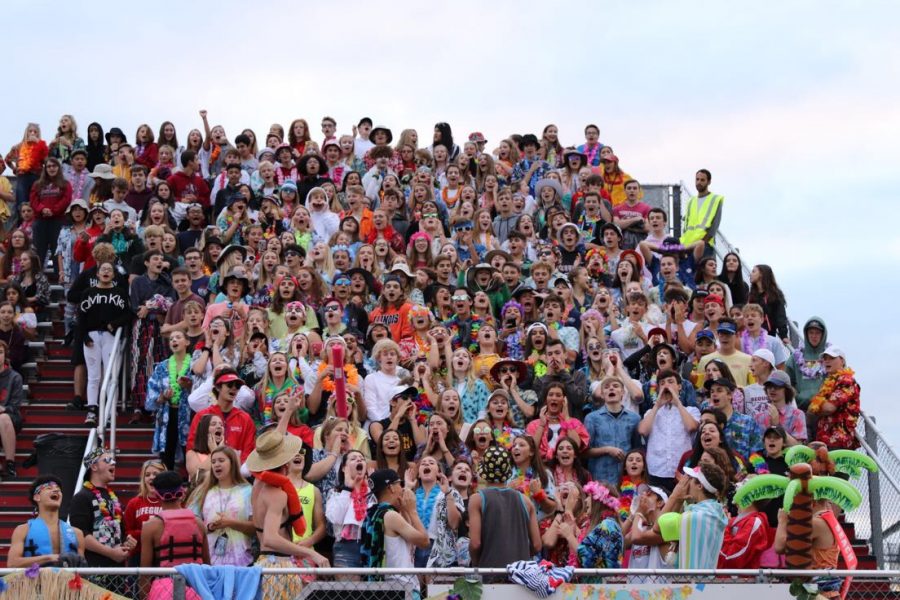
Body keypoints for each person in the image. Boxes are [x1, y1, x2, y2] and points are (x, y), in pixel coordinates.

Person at [249, 429, 329, 598]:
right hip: (279, 567)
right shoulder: (277, 494)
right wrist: (311, 552)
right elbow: (270, 538)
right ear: (286, 461)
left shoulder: (257, 487)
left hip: (264, 565)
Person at [140, 470, 210, 600]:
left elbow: (145, 572)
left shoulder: (150, 527)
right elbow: (207, 564)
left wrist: (143, 596)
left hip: (163, 590)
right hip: (197, 587)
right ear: (182, 493)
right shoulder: (199, 523)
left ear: (156, 495)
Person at [469, 445, 542, 567]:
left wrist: (477, 564)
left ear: (484, 471)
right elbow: (537, 545)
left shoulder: (477, 499)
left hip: (490, 574)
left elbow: (475, 543)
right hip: (520, 576)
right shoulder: (526, 501)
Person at [360, 468, 430, 589]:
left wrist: (404, 509)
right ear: (391, 488)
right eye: (400, 484)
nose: (402, 489)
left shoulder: (374, 513)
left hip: (389, 586)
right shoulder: (391, 516)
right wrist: (413, 511)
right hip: (401, 586)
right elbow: (424, 542)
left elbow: (409, 543)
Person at [69, 448, 136, 567]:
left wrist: (127, 541)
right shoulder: (82, 497)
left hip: (117, 571)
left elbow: (121, 531)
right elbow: (80, 534)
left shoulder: (113, 497)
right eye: (107, 460)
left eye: (114, 460)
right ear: (94, 467)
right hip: (94, 569)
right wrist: (111, 553)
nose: (113, 463)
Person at [656, 463, 728, 569]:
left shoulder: (691, 517)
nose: (687, 482)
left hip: (688, 583)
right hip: (708, 582)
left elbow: (657, 528)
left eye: (691, 479)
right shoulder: (717, 513)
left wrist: (675, 495)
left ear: (700, 486)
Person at [639, 370, 700, 490]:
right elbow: (642, 430)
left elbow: (691, 427)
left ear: (679, 386)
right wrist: (657, 405)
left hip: (682, 471)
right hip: (656, 470)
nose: (666, 386)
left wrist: (677, 402)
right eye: (662, 383)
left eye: (670, 382)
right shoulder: (651, 412)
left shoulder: (691, 410)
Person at [7, 475, 85, 567]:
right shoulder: (23, 530)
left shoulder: (77, 533)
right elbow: (12, 563)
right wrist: (50, 558)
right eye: (49, 488)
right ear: (37, 497)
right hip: (34, 580)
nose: (56, 490)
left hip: (67, 581)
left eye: (58, 489)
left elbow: (82, 569)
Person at [584, 376, 642, 484]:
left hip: (626, 479)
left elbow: (637, 449)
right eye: (606, 387)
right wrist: (607, 450)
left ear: (622, 393)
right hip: (601, 478)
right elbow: (585, 451)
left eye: (615, 386)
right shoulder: (591, 418)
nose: (611, 389)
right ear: (602, 394)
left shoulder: (635, 418)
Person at [808, 346, 861, 450]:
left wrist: (816, 408)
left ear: (842, 361)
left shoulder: (846, 380)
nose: (827, 361)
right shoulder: (830, 381)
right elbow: (814, 408)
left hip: (839, 441)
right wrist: (817, 407)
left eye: (831, 358)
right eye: (825, 358)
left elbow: (829, 408)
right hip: (824, 439)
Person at [679, 169, 723, 254]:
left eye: (702, 180)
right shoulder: (691, 201)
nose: (699, 182)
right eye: (697, 179)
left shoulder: (715, 199)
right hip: (688, 245)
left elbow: (714, 226)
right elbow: (686, 226)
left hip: (704, 246)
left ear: (709, 182)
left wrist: (703, 242)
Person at [0, 340, 26, 480]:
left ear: (5, 355)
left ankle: (10, 464)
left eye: (0, 352)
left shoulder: (14, 377)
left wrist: (3, 409)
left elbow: (15, 406)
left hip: (11, 417)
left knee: (3, 418)